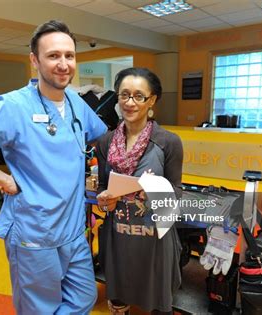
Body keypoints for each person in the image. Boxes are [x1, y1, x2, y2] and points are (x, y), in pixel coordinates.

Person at [0, 20, 107, 314]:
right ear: (34, 60)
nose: (63, 64)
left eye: (69, 55)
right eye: (53, 56)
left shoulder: (77, 104)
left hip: (74, 231)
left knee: (84, 299)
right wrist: (3, 179)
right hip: (34, 234)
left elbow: (104, 140)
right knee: (40, 308)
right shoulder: (14, 106)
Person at [96, 68, 183, 315]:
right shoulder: (106, 142)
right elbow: (103, 185)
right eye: (124, 95)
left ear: (152, 100)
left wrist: (152, 190)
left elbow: (176, 192)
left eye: (138, 96)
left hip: (155, 235)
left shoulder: (168, 142)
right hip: (119, 234)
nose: (129, 103)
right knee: (119, 295)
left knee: (158, 298)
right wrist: (105, 200)